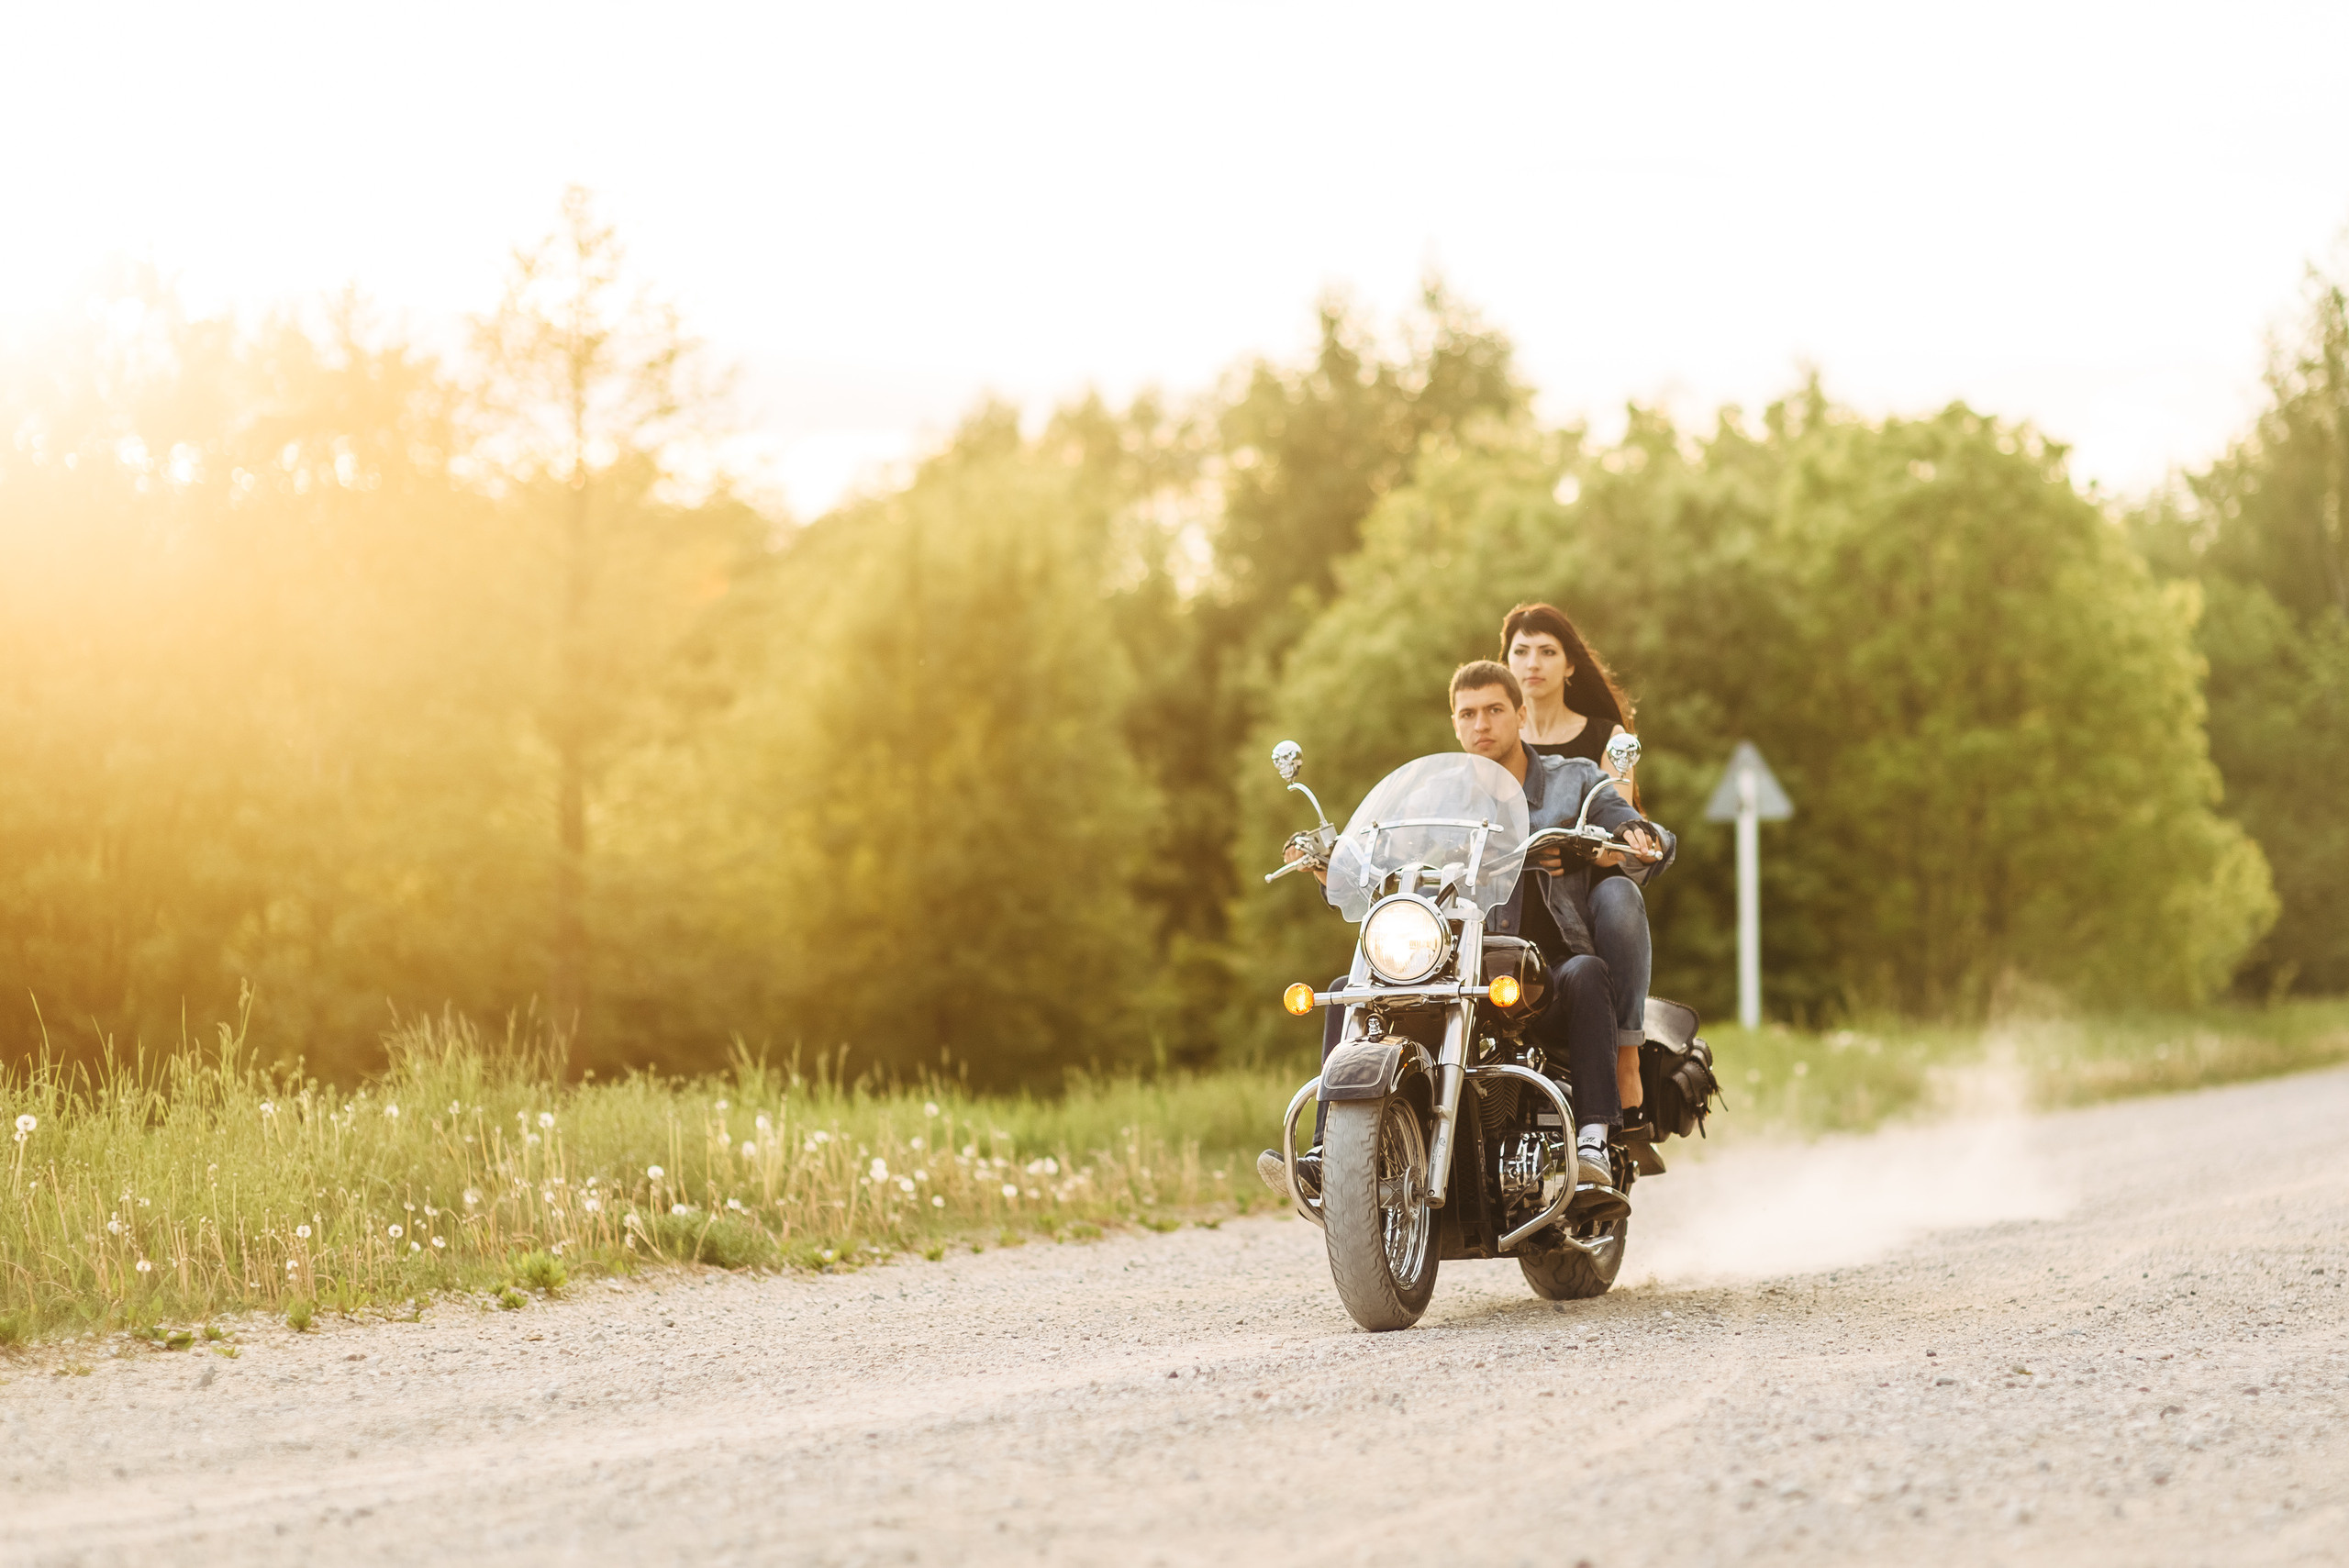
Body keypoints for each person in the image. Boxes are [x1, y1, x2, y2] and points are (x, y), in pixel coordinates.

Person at [1258, 660, 1675, 1208]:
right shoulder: (1431, 795)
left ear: (1521, 715)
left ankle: (1595, 1141)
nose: (1482, 724)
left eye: (1496, 711)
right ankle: (1324, 1157)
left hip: (1537, 969)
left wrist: (1630, 833)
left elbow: (1620, 814)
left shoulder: (1574, 778)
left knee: (1586, 971)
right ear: (1454, 724)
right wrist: (1332, 860)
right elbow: (1376, 847)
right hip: (1450, 961)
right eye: (1469, 714)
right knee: (1349, 989)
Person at [1501, 602, 1657, 1133]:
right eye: (1520, 652)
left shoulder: (1609, 737)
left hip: (1589, 882)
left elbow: (1618, 821)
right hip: (1514, 885)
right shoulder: (1496, 734)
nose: (1533, 663)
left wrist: (1580, 851)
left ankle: (1626, 1055)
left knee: (1620, 897)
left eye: (1547, 651)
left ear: (1571, 666)